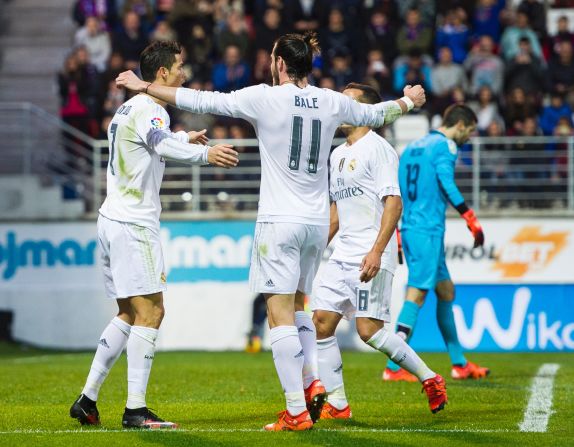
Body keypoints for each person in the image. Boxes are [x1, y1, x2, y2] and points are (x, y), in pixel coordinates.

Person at [116, 31, 426, 431]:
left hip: (279, 221)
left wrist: (143, 86)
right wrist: (408, 101)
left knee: (278, 314)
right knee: (299, 306)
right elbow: (374, 115)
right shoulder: (332, 100)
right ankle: (312, 381)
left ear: (280, 64)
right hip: (316, 225)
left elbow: (203, 100)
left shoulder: (263, 96)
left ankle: (296, 410)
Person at [69, 40, 238, 429]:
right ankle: (135, 411)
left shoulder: (127, 109)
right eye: (179, 67)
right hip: (134, 224)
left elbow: (149, 144)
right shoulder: (152, 108)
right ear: (162, 73)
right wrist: (204, 154)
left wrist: (184, 138)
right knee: (152, 311)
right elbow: (158, 142)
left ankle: (87, 399)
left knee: (128, 313)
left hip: (110, 219)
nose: (183, 74)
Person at [312, 83, 447, 420]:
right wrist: (316, 251)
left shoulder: (379, 149)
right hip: (341, 254)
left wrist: (376, 251)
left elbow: (394, 202)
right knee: (321, 324)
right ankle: (338, 405)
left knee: (368, 331)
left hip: (371, 254)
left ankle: (430, 378)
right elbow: (336, 211)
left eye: (347, 102)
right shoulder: (337, 153)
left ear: (365, 110)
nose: (340, 108)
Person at [383, 104, 490, 382]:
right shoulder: (446, 147)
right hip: (427, 230)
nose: (468, 138)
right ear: (461, 125)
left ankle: (459, 363)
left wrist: (398, 230)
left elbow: (398, 190)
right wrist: (470, 216)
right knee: (417, 293)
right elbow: (446, 182)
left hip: (413, 228)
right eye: (469, 132)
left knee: (446, 291)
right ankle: (394, 367)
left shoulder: (413, 147)